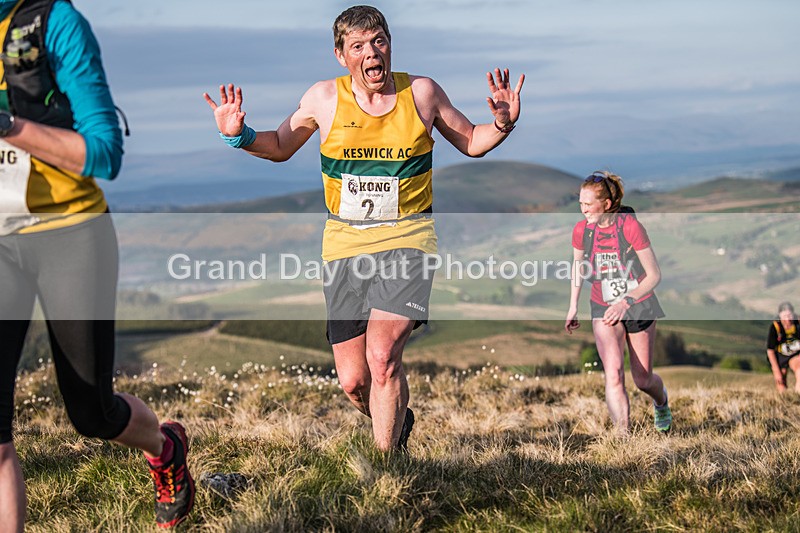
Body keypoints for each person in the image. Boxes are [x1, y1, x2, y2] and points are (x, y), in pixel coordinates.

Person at [204, 5, 523, 452]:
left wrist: (503, 124)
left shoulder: (422, 93)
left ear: (389, 45)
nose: (371, 53)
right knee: (355, 381)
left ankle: (386, 469)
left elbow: (471, 140)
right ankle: (397, 420)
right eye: (358, 46)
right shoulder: (323, 98)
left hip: (408, 240)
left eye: (379, 42)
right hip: (344, 247)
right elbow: (278, 146)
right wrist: (238, 135)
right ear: (341, 56)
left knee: (383, 356)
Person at [0, 1, 193, 529]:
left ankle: (165, 447)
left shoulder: (54, 22)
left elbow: (104, 154)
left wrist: (7, 125)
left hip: (68, 233)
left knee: (91, 413)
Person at [564, 171, 672, 433]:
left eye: (588, 204)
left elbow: (654, 275)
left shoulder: (630, 227)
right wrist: (573, 306)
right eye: (580, 204)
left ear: (607, 204)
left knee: (643, 380)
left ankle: (661, 402)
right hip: (603, 306)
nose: (583, 210)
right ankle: (623, 439)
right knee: (613, 374)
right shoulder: (582, 230)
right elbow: (578, 267)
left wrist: (625, 302)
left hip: (639, 304)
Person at [766, 301, 800, 392]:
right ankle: (784, 398)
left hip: (795, 355)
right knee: (780, 383)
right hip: (780, 356)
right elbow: (770, 351)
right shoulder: (775, 327)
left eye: (790, 316)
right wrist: (776, 371)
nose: (787, 319)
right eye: (785, 316)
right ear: (780, 316)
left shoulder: (798, 324)